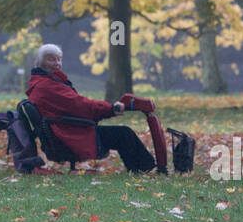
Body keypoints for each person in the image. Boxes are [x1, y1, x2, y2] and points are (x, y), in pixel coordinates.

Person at [26, 44, 155, 172]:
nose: (57, 63)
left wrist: (107, 109)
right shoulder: (47, 86)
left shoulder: (43, 82)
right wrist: (111, 109)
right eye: (51, 59)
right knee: (124, 134)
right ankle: (145, 169)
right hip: (70, 135)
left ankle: (141, 169)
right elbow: (79, 105)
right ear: (39, 62)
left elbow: (75, 104)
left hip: (67, 131)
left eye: (59, 59)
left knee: (122, 133)